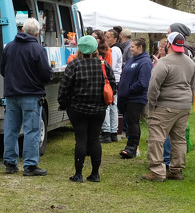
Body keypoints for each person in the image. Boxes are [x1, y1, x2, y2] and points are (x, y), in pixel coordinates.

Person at [57, 35, 114, 182]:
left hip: (77, 108)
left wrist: (64, 104)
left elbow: (64, 88)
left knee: (80, 139)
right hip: (98, 109)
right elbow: (113, 86)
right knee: (94, 139)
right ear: (95, 48)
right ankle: (95, 174)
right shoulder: (103, 64)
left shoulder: (74, 65)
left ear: (80, 49)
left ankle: (78, 174)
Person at [0, 17, 52, 176]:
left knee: (11, 130)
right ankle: (29, 165)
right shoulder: (38, 49)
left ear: (22, 30)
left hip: (11, 95)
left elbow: (3, 70)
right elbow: (45, 74)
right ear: (37, 33)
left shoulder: (9, 47)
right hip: (31, 95)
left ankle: (10, 163)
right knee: (32, 130)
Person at [142, 31, 195, 182]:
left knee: (157, 139)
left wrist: (152, 106)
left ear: (168, 45)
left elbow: (153, 87)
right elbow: (191, 85)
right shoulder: (190, 62)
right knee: (179, 139)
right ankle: (176, 171)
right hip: (184, 106)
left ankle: (157, 172)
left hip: (165, 106)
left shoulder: (164, 62)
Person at [117, 37, 153, 159]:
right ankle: (130, 146)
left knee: (133, 121)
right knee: (131, 122)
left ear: (140, 47)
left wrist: (129, 89)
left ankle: (132, 148)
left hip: (136, 98)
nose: (130, 49)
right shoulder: (133, 59)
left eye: (133, 46)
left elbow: (143, 82)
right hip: (127, 97)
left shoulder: (145, 62)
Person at [101, 28, 123, 143]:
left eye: (108, 37)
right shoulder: (116, 49)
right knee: (113, 106)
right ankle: (113, 131)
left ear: (115, 39)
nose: (106, 39)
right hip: (115, 80)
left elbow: (111, 66)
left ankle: (108, 131)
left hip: (112, 80)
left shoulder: (113, 50)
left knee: (109, 105)